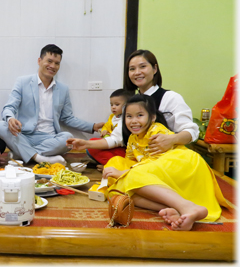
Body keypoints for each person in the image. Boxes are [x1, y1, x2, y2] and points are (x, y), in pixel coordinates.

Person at [69, 94, 229, 231]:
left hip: (181, 163)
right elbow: (130, 161)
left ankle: (187, 206)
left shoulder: (155, 131)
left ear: (152, 117)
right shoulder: (132, 138)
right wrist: (116, 170)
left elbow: (155, 162)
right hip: (156, 171)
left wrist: (125, 173)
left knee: (129, 177)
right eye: (129, 116)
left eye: (140, 115)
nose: (133, 121)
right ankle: (174, 208)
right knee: (119, 189)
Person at [82, 49, 199, 169]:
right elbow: (117, 137)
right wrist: (85, 143)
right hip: (138, 156)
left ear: (155, 69)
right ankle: (129, 169)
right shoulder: (131, 102)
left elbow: (192, 132)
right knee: (92, 147)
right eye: (132, 69)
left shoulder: (170, 98)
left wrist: (172, 139)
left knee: (116, 163)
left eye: (142, 66)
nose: (137, 72)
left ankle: (126, 170)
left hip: (162, 156)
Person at [0, 44, 104, 165]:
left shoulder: (63, 89)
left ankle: (22, 154)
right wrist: (10, 118)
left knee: (67, 138)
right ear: (39, 61)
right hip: (23, 135)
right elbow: (9, 107)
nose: (53, 66)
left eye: (57, 63)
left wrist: (93, 126)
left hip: (49, 138)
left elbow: (67, 118)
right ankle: (40, 158)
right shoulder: (22, 82)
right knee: (0, 126)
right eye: (49, 61)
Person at [86, 89, 133, 167]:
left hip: (123, 149)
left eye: (117, 105)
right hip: (112, 146)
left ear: (127, 105)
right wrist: (104, 131)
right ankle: (110, 164)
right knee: (90, 148)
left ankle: (112, 166)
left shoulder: (127, 119)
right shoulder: (112, 117)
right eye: (111, 105)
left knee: (92, 144)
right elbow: (106, 126)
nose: (113, 107)